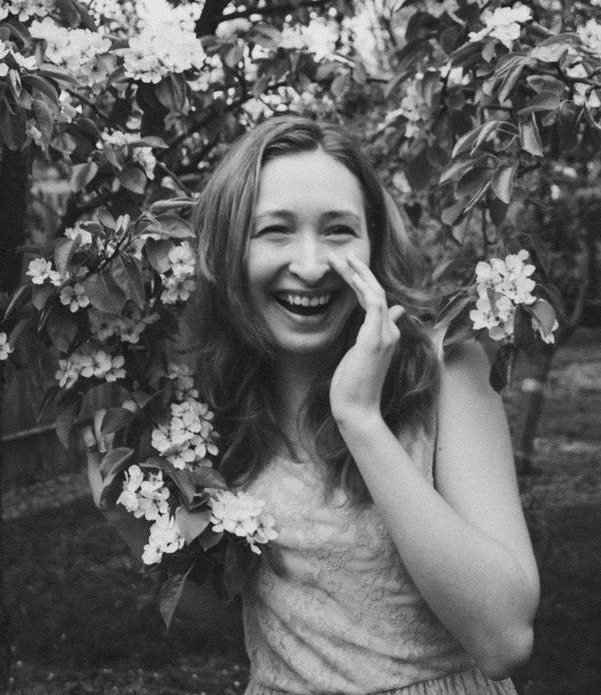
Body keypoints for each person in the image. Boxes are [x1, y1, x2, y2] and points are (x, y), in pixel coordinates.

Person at [85, 114, 540, 695]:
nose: (310, 264)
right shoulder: (199, 403)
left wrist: (360, 420)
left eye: (339, 231)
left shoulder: (448, 368)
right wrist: (124, 515)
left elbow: (504, 638)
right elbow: (250, 616)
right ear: (225, 250)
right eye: (274, 230)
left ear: (373, 241)